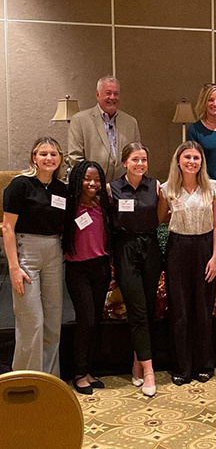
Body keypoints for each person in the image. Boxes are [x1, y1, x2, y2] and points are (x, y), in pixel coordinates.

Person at [158, 141, 216, 385]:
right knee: (180, 310)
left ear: (201, 162)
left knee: (203, 309)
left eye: (196, 158)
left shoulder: (213, 188)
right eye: (187, 158)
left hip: (205, 247)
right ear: (178, 161)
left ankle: (204, 364)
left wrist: (215, 257)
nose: (192, 162)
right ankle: (181, 366)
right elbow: (160, 219)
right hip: (178, 249)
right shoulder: (167, 190)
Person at [3, 137, 67, 376]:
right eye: (43, 154)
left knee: (52, 323)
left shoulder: (61, 189)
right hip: (26, 253)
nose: (49, 158)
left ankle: (50, 380)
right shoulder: (20, 185)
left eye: (53, 154)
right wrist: (14, 267)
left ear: (60, 158)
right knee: (32, 323)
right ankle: (26, 379)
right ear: (34, 158)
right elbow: (7, 228)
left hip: (53, 252)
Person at [109, 142, 162, 397]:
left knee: (147, 309)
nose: (140, 164)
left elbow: (162, 218)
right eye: (135, 160)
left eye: (143, 160)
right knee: (137, 309)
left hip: (150, 248)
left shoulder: (156, 187)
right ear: (124, 163)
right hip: (125, 250)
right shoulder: (112, 189)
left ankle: (137, 362)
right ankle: (150, 371)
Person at [63, 161, 111, 395]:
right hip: (77, 269)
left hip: (100, 267)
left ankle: (89, 371)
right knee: (86, 320)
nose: (92, 184)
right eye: (87, 179)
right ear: (78, 179)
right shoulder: (69, 205)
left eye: (96, 179)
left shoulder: (104, 204)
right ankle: (79, 373)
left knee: (96, 321)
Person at [68, 75, 141, 182]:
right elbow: (75, 158)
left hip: (124, 189)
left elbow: (137, 155)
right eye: (108, 93)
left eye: (116, 94)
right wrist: (91, 181)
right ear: (97, 95)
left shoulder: (131, 122)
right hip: (93, 188)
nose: (112, 97)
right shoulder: (80, 120)